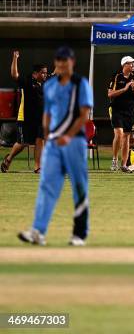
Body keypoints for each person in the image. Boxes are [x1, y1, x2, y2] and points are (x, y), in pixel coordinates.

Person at [17, 47, 94, 247]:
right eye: (59, 61)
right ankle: (38, 231)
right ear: (56, 63)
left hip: (74, 142)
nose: (62, 64)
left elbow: (84, 114)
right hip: (53, 143)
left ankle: (79, 234)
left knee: (79, 186)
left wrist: (67, 137)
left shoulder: (80, 83)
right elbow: (48, 112)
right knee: (47, 186)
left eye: (65, 61)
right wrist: (48, 134)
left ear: (72, 62)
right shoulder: (50, 84)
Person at [1, 51, 47, 173]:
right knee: (23, 143)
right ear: (35, 74)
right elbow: (14, 75)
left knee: (39, 140)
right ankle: (9, 158)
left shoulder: (44, 84)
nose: (45, 75)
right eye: (42, 73)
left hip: (40, 119)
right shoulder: (27, 82)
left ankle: (38, 167)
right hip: (25, 117)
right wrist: (15, 58)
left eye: (46, 73)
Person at [108, 56, 134, 172]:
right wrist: (125, 88)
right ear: (124, 65)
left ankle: (124, 165)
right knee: (119, 134)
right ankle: (114, 160)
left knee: (127, 136)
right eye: (130, 64)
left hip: (130, 111)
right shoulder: (117, 76)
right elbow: (110, 94)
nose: (133, 65)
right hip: (116, 109)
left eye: (133, 64)